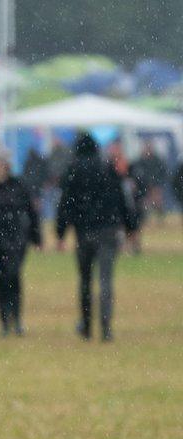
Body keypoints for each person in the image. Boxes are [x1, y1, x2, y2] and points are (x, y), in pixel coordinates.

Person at [56, 133, 137, 342]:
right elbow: (122, 199)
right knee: (105, 280)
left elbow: (65, 204)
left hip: (84, 233)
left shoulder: (73, 171)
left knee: (85, 280)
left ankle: (86, 324)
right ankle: (106, 326)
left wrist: (61, 233)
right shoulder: (108, 168)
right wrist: (130, 227)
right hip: (109, 232)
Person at [0, 155, 41, 336]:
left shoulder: (19, 186)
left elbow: (31, 212)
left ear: (6, 167)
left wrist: (36, 238)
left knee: (13, 276)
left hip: (16, 241)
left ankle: (17, 319)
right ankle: (4, 321)